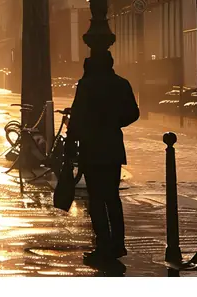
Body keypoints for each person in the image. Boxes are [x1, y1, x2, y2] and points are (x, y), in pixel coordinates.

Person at [67, 51, 140, 269]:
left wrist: (72, 143)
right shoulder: (121, 84)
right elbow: (133, 113)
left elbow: (77, 116)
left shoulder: (86, 85)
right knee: (112, 197)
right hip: (113, 147)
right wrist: (114, 122)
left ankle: (103, 244)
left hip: (92, 147)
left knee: (96, 199)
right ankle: (118, 243)